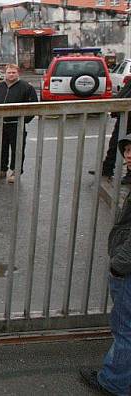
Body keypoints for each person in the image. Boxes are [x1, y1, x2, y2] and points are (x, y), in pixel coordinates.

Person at [79, 134, 131, 395]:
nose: (129, 155)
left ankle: (114, 382)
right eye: (128, 150)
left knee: (125, 327)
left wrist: (119, 265)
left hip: (128, 269)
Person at [0, 64, 38, 184]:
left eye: (13, 72)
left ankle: (16, 171)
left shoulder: (26, 88)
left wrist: (23, 120)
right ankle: (1, 170)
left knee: (18, 149)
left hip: (16, 124)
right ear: (5, 73)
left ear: (18, 73)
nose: (11, 75)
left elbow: (33, 107)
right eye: (9, 72)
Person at [89, 79, 131, 183]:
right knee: (114, 143)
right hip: (124, 116)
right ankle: (107, 168)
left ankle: (129, 174)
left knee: (126, 146)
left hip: (128, 116)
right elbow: (123, 94)